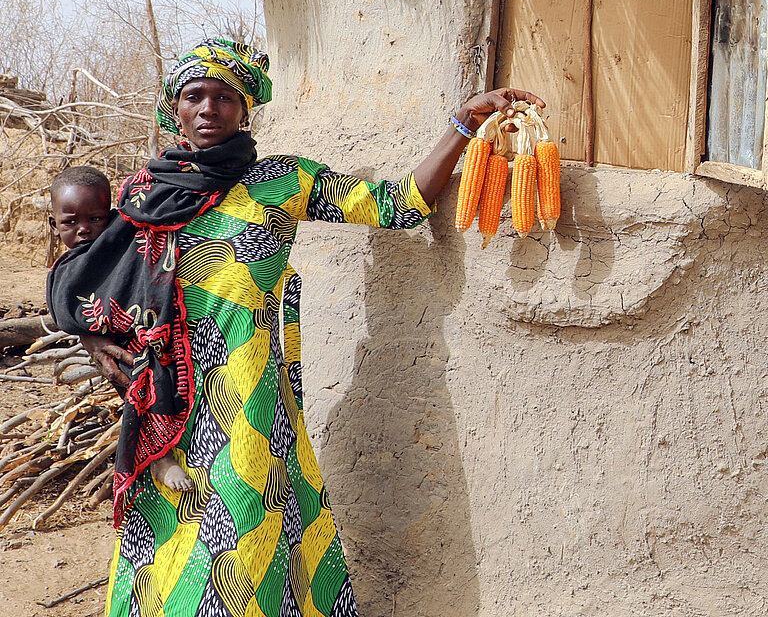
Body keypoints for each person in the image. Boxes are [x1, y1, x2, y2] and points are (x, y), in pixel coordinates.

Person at [48, 39, 544, 617]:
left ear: (245, 109)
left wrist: (463, 124)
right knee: (163, 557)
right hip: (166, 410)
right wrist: (89, 333)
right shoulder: (142, 191)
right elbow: (89, 273)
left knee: (242, 552)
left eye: (225, 97)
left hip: (247, 402)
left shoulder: (281, 182)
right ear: (174, 108)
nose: (209, 108)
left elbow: (401, 205)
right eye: (194, 96)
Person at [48, 165, 195, 493]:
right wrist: (92, 330)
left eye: (96, 219)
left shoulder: (122, 244)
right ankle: (159, 457)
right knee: (141, 384)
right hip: (120, 348)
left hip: (147, 334)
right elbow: (65, 312)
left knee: (159, 376)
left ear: (111, 216)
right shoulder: (66, 269)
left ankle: (161, 454)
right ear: (53, 225)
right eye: (70, 222)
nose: (84, 230)